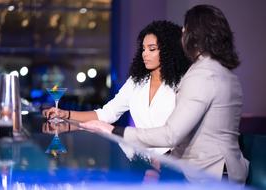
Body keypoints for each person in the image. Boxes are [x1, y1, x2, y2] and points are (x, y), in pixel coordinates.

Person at [80, 5, 249, 184]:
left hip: (209, 174)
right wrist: (164, 160)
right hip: (228, 171)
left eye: (185, 29)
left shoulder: (201, 74)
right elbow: (201, 133)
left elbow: (171, 135)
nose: (182, 35)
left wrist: (114, 130)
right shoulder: (227, 74)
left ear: (193, 35)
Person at [43, 20, 191, 155]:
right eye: (143, 49)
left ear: (169, 51)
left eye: (151, 49)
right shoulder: (136, 82)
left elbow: (184, 132)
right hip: (140, 160)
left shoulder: (184, 82)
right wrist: (65, 114)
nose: (145, 54)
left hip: (174, 161)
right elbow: (106, 114)